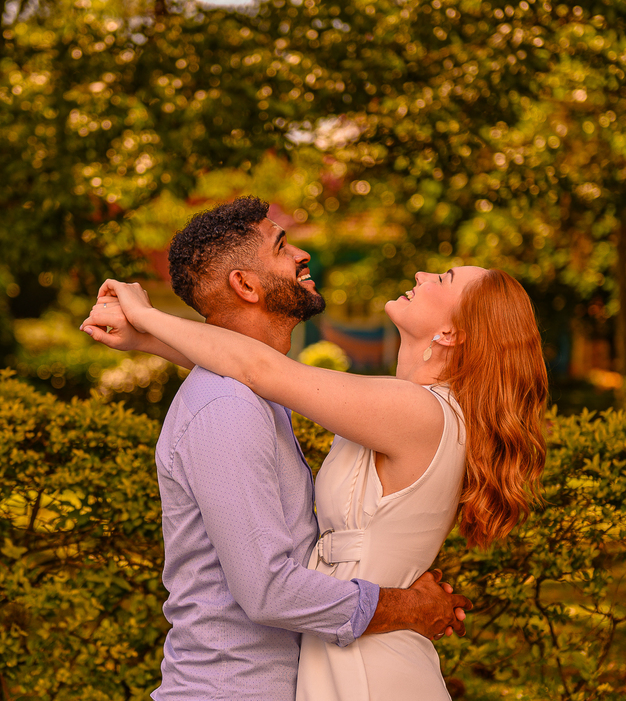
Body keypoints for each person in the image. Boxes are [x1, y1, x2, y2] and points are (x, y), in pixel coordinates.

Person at [80, 198, 472, 701]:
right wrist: (406, 608)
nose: (303, 254)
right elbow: (269, 591)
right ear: (246, 285)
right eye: (282, 246)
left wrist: (148, 331)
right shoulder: (227, 406)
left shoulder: (259, 394)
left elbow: (257, 367)